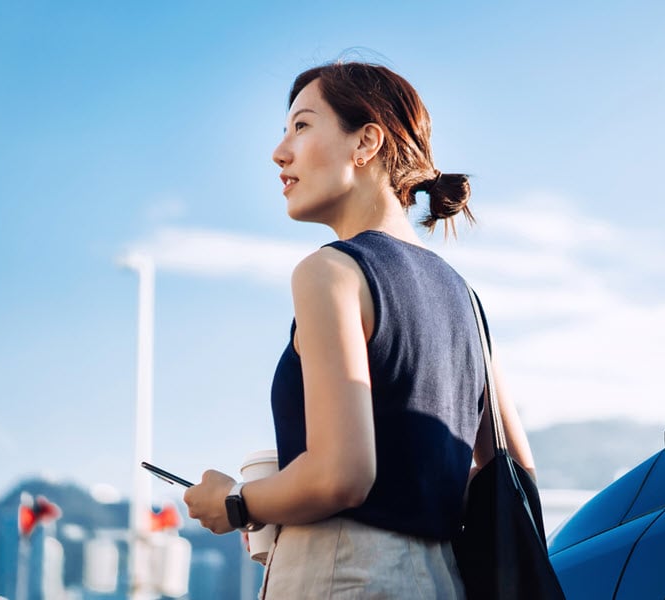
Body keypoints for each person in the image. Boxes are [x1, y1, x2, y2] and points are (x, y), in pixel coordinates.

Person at [183, 61, 537, 599]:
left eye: (301, 126)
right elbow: (515, 473)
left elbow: (340, 475)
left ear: (366, 141)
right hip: (444, 580)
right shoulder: (464, 297)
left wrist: (236, 501)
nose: (280, 153)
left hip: (341, 574)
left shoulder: (331, 272)